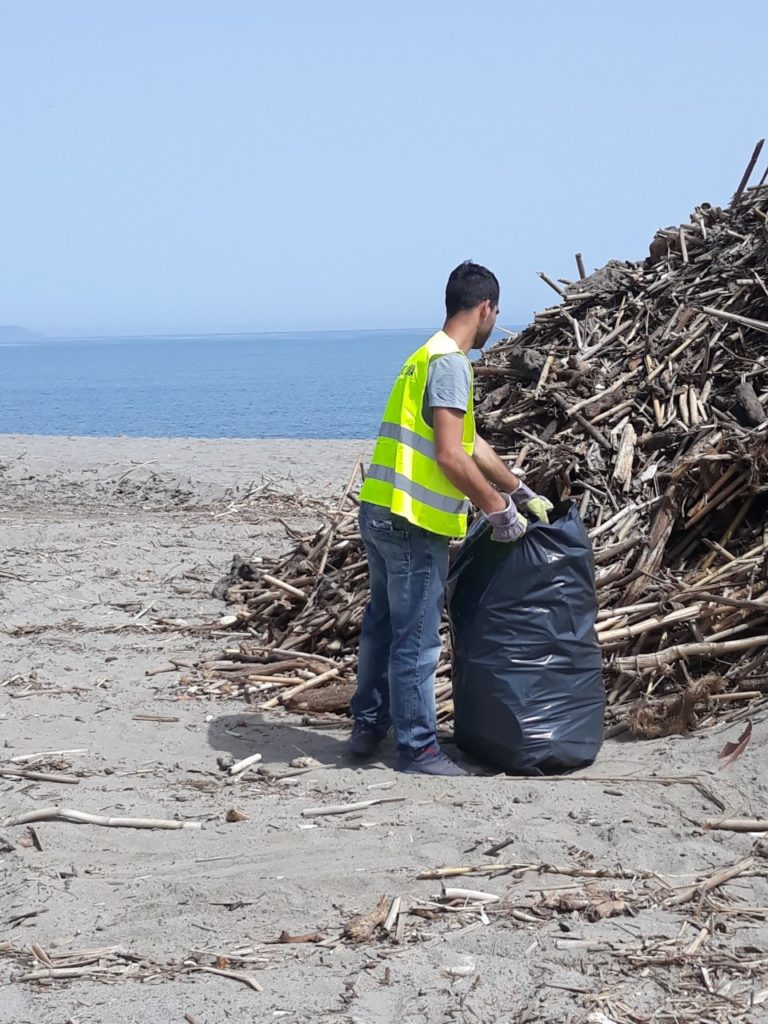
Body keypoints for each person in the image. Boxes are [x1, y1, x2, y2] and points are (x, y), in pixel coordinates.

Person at [350, 261, 553, 775]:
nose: (495, 321)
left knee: (380, 625)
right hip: (412, 521)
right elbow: (449, 456)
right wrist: (498, 509)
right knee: (415, 637)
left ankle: (368, 725)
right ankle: (418, 749)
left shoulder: (425, 356)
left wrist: (518, 487)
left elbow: (470, 443)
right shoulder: (450, 365)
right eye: (496, 312)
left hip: (380, 508)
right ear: (485, 308)